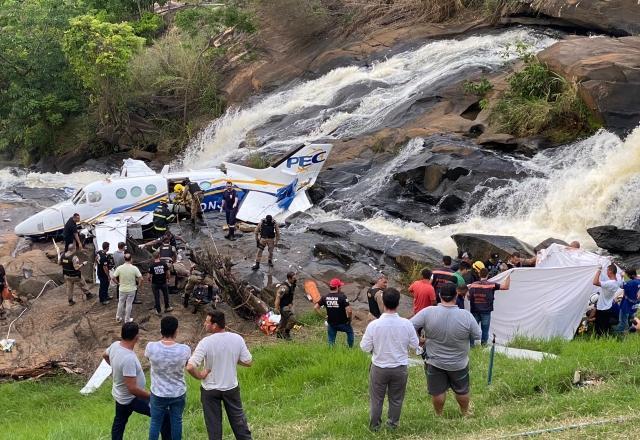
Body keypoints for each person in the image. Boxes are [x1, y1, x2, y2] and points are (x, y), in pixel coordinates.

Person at [410, 283, 481, 416]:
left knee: (438, 392)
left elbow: (409, 326)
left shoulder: (428, 312)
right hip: (459, 362)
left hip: (434, 361)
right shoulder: (466, 315)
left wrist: (418, 340)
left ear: (439, 295)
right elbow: (478, 335)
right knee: (462, 390)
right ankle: (465, 413)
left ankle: (439, 414)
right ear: (456, 295)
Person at [187, 310, 253, 440]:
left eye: (207, 322)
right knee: (239, 422)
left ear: (215, 325)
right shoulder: (237, 339)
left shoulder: (206, 342)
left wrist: (200, 375)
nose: (204, 324)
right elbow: (248, 361)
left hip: (210, 390)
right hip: (231, 387)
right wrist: (233, 359)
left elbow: (190, 366)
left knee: (214, 428)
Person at [360, 288, 419, 431]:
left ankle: (375, 426)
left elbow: (364, 347)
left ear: (383, 303)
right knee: (396, 399)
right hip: (399, 367)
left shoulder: (374, 325)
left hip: (379, 367)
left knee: (376, 399)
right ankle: (392, 425)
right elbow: (415, 345)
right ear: (398, 303)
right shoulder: (406, 324)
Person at [104, 322, 171, 440]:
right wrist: (152, 397)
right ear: (136, 337)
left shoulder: (115, 345)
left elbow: (104, 355)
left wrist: (116, 368)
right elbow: (132, 389)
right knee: (164, 415)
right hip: (131, 399)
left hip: (119, 395)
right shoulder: (128, 358)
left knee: (119, 423)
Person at [145, 316, 191, 440]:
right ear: (176, 331)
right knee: (177, 421)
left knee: (155, 422)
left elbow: (148, 358)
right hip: (178, 392)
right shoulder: (185, 350)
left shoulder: (151, 347)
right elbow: (187, 364)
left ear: (161, 330)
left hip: (158, 393)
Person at [468, 268, 510, 346]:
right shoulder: (491, 285)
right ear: (488, 275)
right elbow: (505, 287)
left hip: (474, 311)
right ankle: (483, 347)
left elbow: (468, 297)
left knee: (472, 330)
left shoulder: (473, 285)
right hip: (486, 312)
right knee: (485, 331)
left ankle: (471, 346)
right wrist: (508, 274)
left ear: (479, 275)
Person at [314, 278, 354, 347]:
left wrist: (324, 316)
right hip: (343, 323)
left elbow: (315, 308)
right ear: (337, 287)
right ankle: (350, 348)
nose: (341, 287)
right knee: (350, 332)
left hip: (331, 323)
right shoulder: (342, 297)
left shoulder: (325, 297)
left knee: (331, 340)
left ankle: (331, 350)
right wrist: (349, 319)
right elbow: (349, 311)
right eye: (340, 286)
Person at [593, 264, 623, 335]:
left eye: (607, 270)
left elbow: (595, 282)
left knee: (600, 326)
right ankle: (607, 336)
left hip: (602, 308)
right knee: (606, 324)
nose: (606, 272)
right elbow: (621, 280)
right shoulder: (617, 282)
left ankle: (601, 338)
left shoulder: (610, 283)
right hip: (608, 306)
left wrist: (599, 270)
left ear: (611, 271)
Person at [113, 253, 143, 323]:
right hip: (132, 289)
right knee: (129, 304)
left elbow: (113, 277)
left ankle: (118, 317)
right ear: (131, 259)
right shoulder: (134, 268)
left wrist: (118, 283)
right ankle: (127, 319)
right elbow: (141, 278)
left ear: (124, 259)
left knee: (120, 303)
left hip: (122, 289)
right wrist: (139, 285)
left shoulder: (119, 268)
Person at [616, 269, 640, 333]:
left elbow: (620, 285)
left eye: (628, 275)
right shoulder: (638, 280)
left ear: (631, 275)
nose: (627, 276)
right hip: (635, 305)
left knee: (623, 320)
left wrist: (622, 277)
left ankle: (619, 332)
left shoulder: (630, 283)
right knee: (631, 316)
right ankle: (631, 327)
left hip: (627, 305)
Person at [275, 272, 297, 340]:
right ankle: (286, 333)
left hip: (287, 305)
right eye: (294, 278)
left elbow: (290, 294)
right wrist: (276, 308)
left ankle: (279, 333)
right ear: (289, 279)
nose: (295, 279)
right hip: (283, 306)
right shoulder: (284, 287)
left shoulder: (292, 284)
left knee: (283, 320)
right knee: (292, 319)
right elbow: (278, 296)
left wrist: (290, 303)